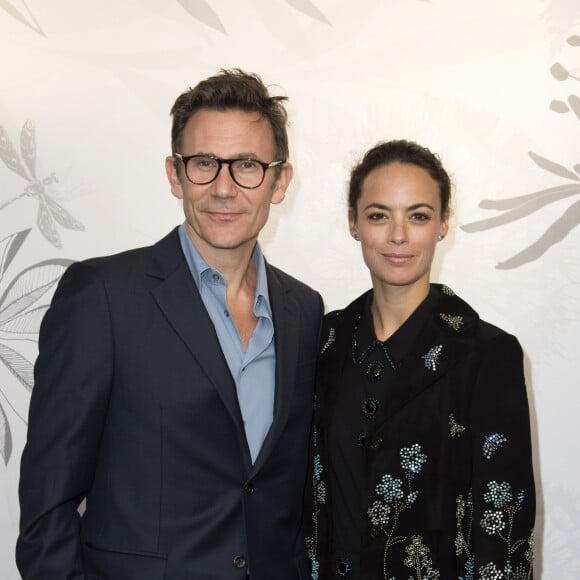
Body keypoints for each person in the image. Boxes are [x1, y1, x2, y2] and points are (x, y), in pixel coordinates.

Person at [17, 68, 323, 580]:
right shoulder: (103, 297)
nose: (224, 188)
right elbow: (48, 506)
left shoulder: (305, 310)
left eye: (247, 164)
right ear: (174, 173)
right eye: (204, 163)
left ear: (279, 180)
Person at [304, 140, 535, 579]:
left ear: (443, 224)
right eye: (378, 215)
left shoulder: (488, 354)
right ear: (353, 223)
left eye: (418, 215)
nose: (398, 235)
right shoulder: (323, 341)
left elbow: (503, 521)